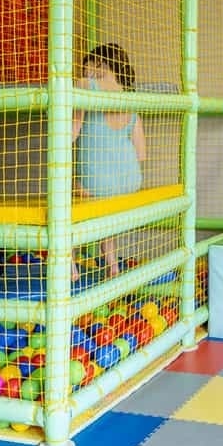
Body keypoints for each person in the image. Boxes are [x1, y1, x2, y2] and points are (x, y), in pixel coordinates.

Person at [72, 43, 146, 280]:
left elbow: (72, 132)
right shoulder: (131, 99)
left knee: (70, 208)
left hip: (96, 183)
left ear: (100, 66)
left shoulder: (86, 86)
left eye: (86, 69)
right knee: (105, 213)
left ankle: (70, 265)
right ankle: (113, 264)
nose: (83, 74)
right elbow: (142, 153)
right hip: (129, 182)